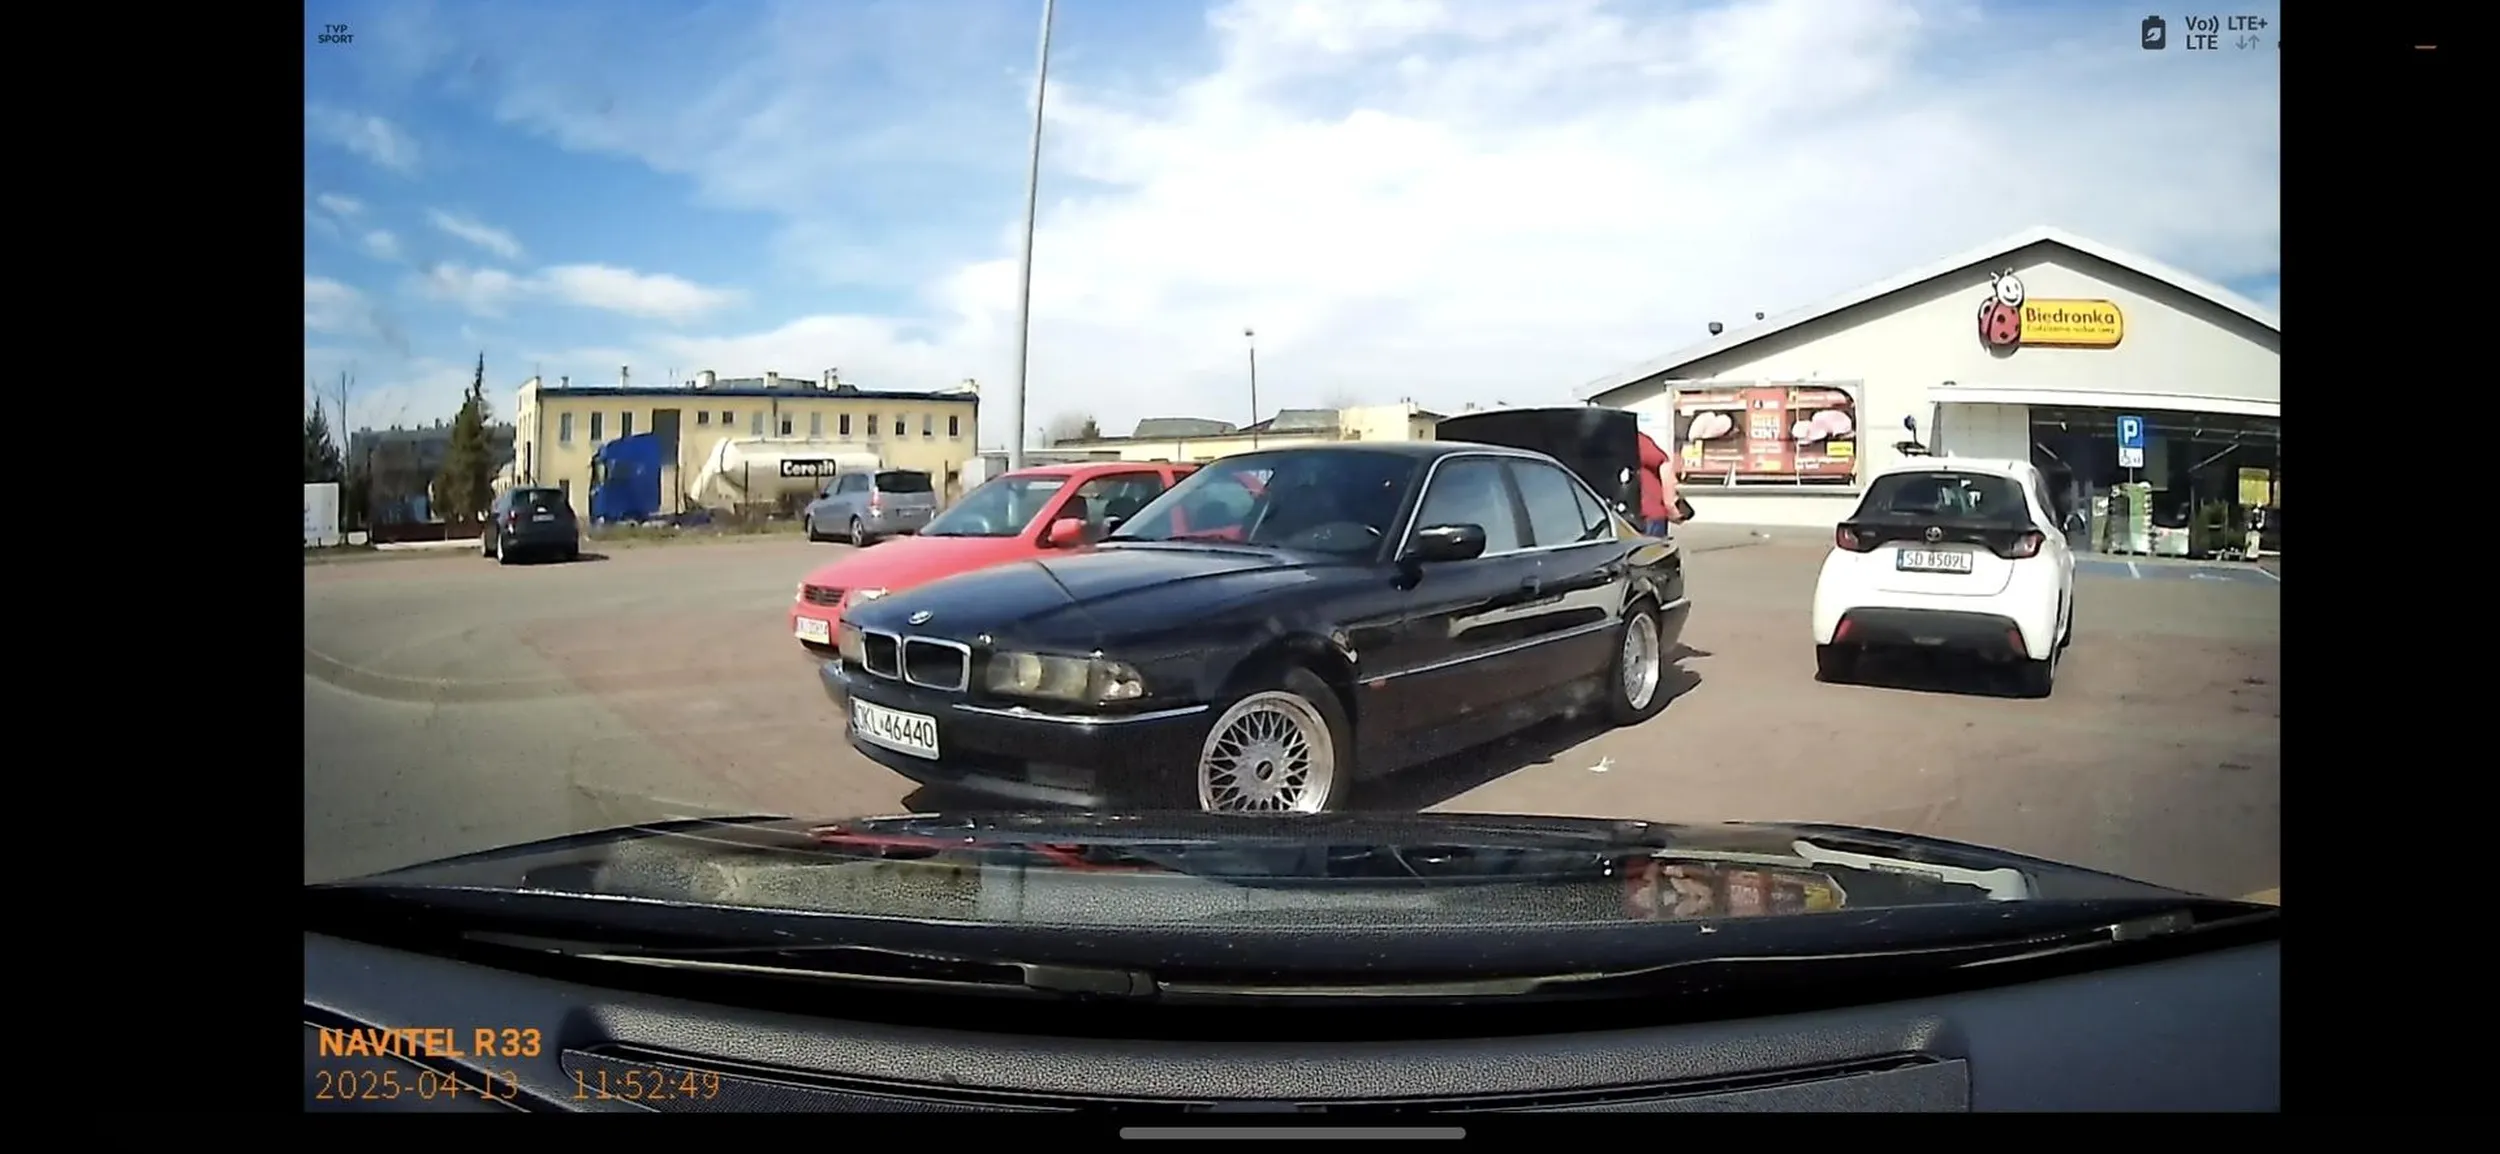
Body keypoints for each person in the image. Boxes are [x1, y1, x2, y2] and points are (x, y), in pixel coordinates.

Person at [1635, 429, 1686, 537]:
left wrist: (1670, 506)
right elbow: (1665, 467)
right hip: (1648, 516)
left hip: (1626, 518)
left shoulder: (1633, 439)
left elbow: (1664, 467)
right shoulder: (1635, 438)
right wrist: (1671, 507)